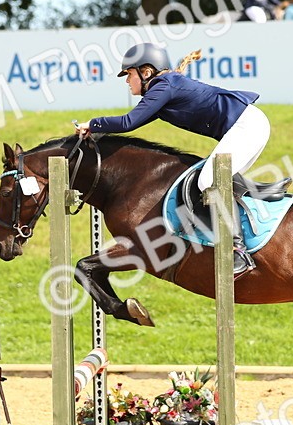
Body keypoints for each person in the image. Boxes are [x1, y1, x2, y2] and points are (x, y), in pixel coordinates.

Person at [76, 43, 273, 278]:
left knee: (208, 179)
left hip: (247, 126)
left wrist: (93, 123)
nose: (127, 81)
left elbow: (128, 122)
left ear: (146, 72)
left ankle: (237, 251)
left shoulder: (163, 86)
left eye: (129, 74)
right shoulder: (163, 90)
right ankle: (261, 194)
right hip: (249, 124)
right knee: (213, 177)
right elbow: (132, 124)